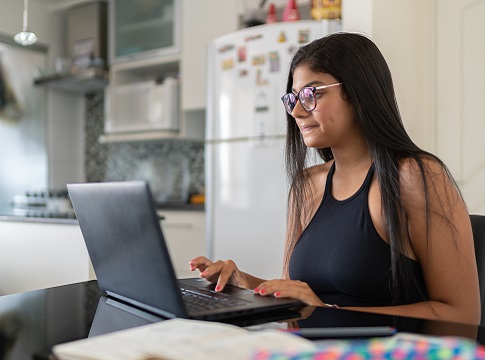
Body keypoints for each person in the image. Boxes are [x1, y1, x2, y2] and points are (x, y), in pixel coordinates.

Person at [190, 32, 481, 325]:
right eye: (293, 98)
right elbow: (295, 299)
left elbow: (461, 317)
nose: (297, 111)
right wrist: (244, 284)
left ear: (358, 92)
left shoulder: (415, 178)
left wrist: (328, 312)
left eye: (312, 94)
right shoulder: (306, 185)